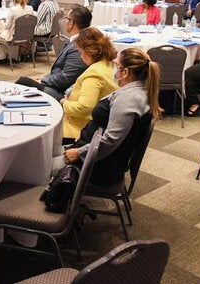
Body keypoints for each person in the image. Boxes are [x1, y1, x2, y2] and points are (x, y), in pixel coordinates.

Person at [57, 48, 162, 188]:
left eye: (117, 66)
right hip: (94, 152)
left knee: (41, 167)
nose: (114, 70)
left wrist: (79, 152)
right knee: (46, 156)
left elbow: (111, 140)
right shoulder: (136, 90)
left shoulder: (129, 99)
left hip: (96, 166)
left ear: (125, 72)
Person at [16, 5, 90, 100]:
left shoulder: (78, 47)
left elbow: (66, 79)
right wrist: (43, 78)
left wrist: (43, 80)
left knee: (23, 82)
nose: (65, 21)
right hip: (56, 84)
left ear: (71, 23)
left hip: (62, 92)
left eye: (66, 18)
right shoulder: (75, 40)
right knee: (26, 81)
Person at [61, 27, 119, 140]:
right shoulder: (108, 65)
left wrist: (64, 103)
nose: (80, 56)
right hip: (94, 126)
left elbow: (83, 108)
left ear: (88, 51)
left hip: (77, 129)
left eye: (80, 51)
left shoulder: (94, 74)